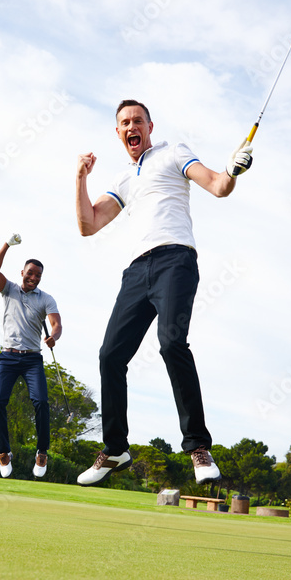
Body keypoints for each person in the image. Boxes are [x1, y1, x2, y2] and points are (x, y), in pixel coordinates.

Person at [74, 99, 253, 487]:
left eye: (138, 120)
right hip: (137, 271)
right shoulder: (122, 179)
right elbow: (88, 225)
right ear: (118, 133)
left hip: (176, 260)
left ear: (150, 126)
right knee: (110, 355)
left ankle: (198, 448)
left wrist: (233, 169)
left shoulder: (174, 153)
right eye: (124, 123)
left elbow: (219, 186)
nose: (131, 126)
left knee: (172, 343)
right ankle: (116, 448)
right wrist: (80, 178)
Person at [0, 233, 62, 479]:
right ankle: (3, 453)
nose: (33, 278)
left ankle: (42, 452)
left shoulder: (46, 299)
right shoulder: (9, 289)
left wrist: (54, 335)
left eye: (38, 275)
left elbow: (56, 323)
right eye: (30, 273)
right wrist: (7, 245)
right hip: (8, 358)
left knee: (41, 402)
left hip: (32, 360)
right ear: (22, 272)